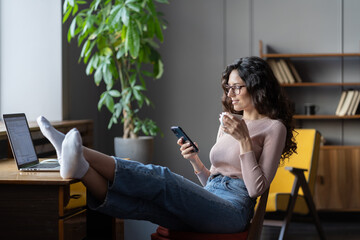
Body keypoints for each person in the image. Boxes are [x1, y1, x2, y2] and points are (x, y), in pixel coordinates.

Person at [37, 56, 296, 234]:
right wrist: (195, 161)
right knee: (147, 207)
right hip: (213, 198)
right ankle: (79, 167)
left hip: (234, 212)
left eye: (237, 87)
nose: (230, 95)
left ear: (256, 86)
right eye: (228, 88)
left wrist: (243, 141)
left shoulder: (274, 127)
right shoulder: (229, 122)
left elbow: (256, 189)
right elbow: (212, 183)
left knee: (163, 179)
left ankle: (77, 152)